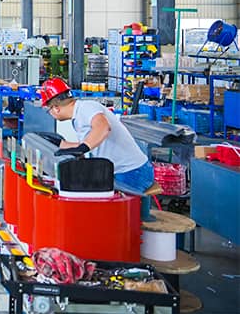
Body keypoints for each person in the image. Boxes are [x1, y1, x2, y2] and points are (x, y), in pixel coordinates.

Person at [38, 78, 161, 219]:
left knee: (108, 216)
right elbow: (88, 144)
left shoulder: (86, 108)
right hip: (121, 170)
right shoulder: (78, 117)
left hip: (133, 172)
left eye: (48, 110)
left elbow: (103, 127)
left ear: (56, 108)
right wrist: (61, 144)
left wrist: (83, 148)